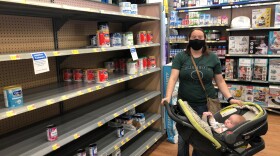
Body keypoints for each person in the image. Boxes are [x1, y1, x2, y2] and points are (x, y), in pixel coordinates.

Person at [161, 28, 243, 156]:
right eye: (194, 37)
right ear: (189, 39)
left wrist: (230, 99)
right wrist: (167, 96)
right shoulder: (181, 57)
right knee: (183, 137)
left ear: (205, 39)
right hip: (184, 105)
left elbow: (220, 81)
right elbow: (173, 77)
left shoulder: (212, 58)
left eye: (200, 37)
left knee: (202, 139)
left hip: (205, 105)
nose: (197, 40)